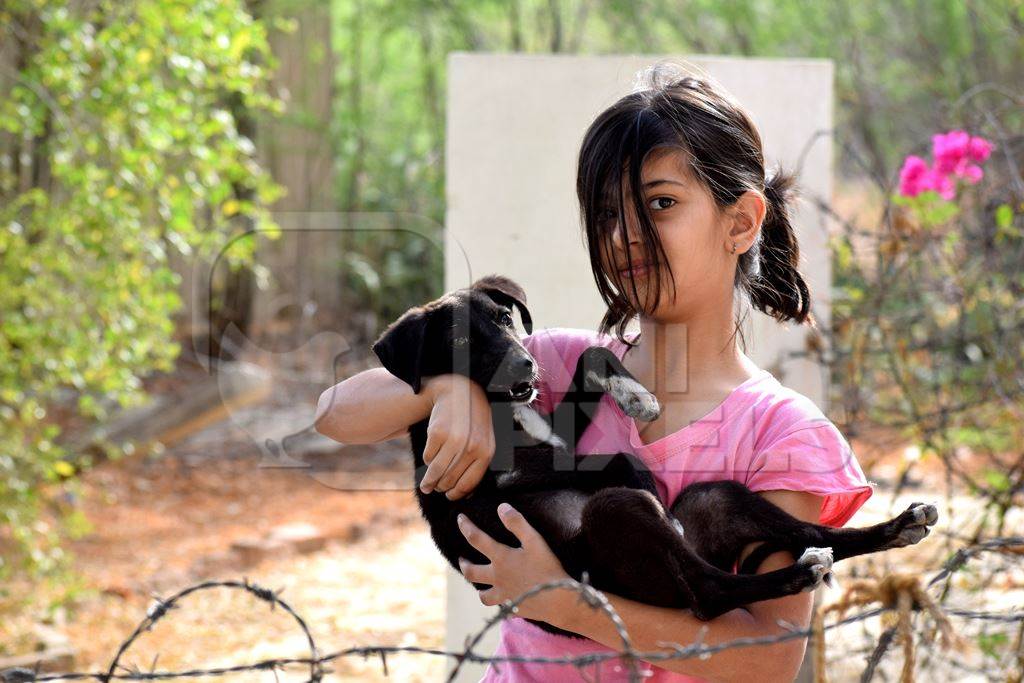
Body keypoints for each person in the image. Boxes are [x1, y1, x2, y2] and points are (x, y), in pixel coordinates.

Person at [315, 62, 874, 682]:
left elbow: (766, 657)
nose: (626, 234)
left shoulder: (780, 433)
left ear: (741, 222)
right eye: (608, 213)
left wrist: (566, 604)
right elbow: (336, 413)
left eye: (660, 203)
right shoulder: (558, 367)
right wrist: (454, 383)